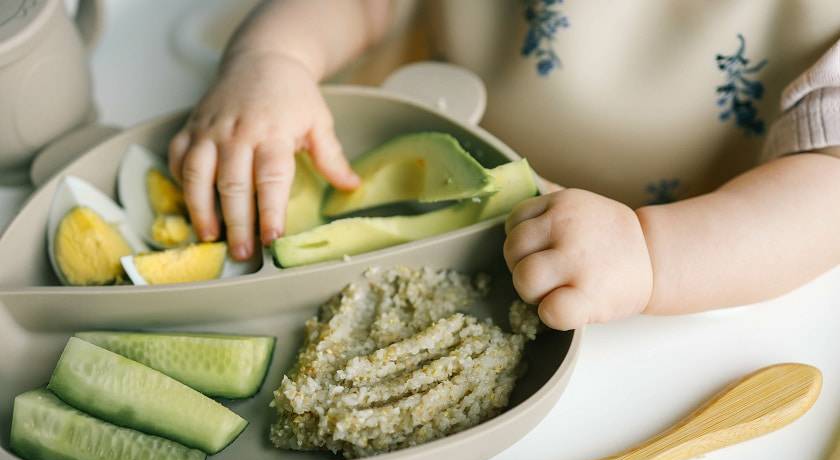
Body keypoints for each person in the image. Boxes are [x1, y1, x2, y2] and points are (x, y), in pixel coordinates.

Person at [168, 0, 840, 331]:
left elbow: (826, 183)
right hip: (420, 141)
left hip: (676, 266)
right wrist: (274, 59)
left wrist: (654, 256)